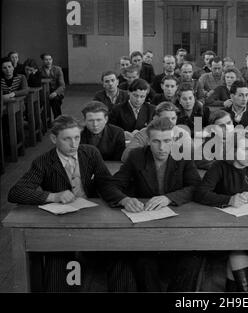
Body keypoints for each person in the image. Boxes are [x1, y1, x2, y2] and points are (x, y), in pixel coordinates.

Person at [8, 115, 112, 291]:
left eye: (77, 137)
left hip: (93, 217)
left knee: (115, 256)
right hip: (62, 223)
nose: (74, 144)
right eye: (67, 139)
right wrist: (53, 197)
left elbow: (107, 182)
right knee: (58, 261)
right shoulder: (43, 162)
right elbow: (15, 192)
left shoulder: (90, 153)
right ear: (54, 139)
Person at [99, 117, 203, 292]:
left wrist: (169, 197)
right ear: (148, 140)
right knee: (143, 260)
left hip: (178, 225)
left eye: (167, 141)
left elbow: (196, 187)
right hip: (146, 227)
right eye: (156, 141)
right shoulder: (137, 156)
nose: (162, 147)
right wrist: (124, 199)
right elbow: (111, 185)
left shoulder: (183, 155)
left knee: (193, 258)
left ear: (173, 140)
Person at [195, 129, 248, 292]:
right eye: (246, 149)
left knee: (237, 252)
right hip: (222, 227)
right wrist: (228, 200)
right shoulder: (219, 166)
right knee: (237, 251)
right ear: (232, 151)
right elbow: (201, 193)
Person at [121, 101, 191, 162]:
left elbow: (189, 158)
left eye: (173, 118)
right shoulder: (144, 133)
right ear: (156, 118)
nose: (170, 122)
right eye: (166, 118)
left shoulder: (183, 134)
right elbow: (126, 157)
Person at [40, 52, 65, 117]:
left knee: (55, 100)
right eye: (46, 60)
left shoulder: (58, 69)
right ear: (42, 61)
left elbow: (62, 85)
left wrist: (55, 93)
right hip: (44, 92)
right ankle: (44, 123)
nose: (48, 61)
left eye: (50, 59)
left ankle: (58, 120)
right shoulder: (39, 70)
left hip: (56, 92)